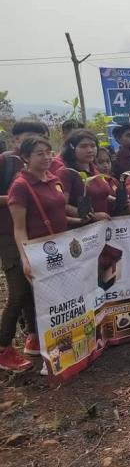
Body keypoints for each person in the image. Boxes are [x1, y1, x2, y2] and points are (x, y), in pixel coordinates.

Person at [6, 137, 85, 374]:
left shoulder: (54, 180)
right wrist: (25, 258)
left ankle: (62, 348)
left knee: (61, 300)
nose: (46, 157)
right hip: (38, 251)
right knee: (43, 302)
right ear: (26, 158)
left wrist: (84, 220)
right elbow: (19, 228)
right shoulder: (20, 186)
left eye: (49, 152)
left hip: (60, 247)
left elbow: (59, 213)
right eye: (39, 153)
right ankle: (50, 357)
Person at [0, 123, 52, 372]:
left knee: (35, 289)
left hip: (38, 237)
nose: (43, 153)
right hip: (9, 234)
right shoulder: (7, 166)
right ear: (18, 142)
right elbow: (17, 215)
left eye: (44, 143)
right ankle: (3, 348)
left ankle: (34, 336)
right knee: (19, 291)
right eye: (32, 141)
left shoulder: (49, 174)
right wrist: (15, 197)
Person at [57, 129, 113, 222]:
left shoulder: (95, 170)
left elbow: (100, 194)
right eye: (83, 146)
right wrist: (91, 216)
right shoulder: (66, 172)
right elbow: (62, 205)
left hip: (102, 227)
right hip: (81, 230)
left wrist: (118, 199)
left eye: (93, 146)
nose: (90, 150)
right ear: (72, 148)